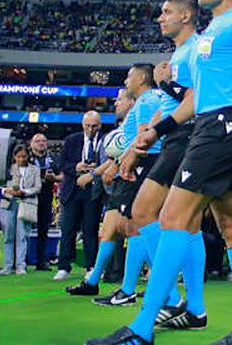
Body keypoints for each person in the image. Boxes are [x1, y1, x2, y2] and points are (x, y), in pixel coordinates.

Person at [86, 0, 232, 345]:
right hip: (211, 126)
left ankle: (142, 328)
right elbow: (194, 99)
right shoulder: (211, 34)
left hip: (224, 128)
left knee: (172, 218)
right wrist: (156, 131)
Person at [120, 0, 209, 330]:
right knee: (188, 224)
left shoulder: (196, 49)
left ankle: (172, 298)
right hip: (175, 136)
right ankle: (193, 308)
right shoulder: (180, 52)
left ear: (186, 16)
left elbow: (195, 100)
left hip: (186, 135)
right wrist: (140, 140)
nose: (160, 18)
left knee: (145, 212)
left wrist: (165, 85)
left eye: (167, 12)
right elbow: (168, 106)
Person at [94, 64, 169, 308]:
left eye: (129, 76)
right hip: (149, 162)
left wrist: (120, 163)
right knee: (133, 225)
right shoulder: (151, 99)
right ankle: (135, 287)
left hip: (144, 163)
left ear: (142, 78)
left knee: (134, 225)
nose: (126, 80)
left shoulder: (146, 102)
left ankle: (156, 288)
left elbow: (143, 137)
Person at [66, 89, 133, 297]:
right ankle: (93, 280)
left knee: (136, 230)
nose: (116, 103)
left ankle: (138, 288)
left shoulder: (138, 118)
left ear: (131, 101)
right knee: (110, 230)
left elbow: (128, 151)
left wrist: (93, 174)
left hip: (132, 180)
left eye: (120, 99)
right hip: (120, 183)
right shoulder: (126, 124)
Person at [55, 111, 104, 280]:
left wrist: (96, 170)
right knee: (67, 229)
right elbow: (61, 163)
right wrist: (76, 167)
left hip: (93, 190)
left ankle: (91, 266)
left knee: (90, 229)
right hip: (73, 190)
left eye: (94, 126)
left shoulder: (105, 140)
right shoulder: (72, 141)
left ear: (100, 125)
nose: (91, 130)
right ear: (83, 125)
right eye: (87, 126)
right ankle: (63, 266)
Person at [0, 144, 41, 275]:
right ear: (14, 157)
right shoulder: (8, 169)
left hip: (26, 203)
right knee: (8, 235)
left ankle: (20, 265)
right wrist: (7, 190)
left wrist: (25, 192)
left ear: (28, 156)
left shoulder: (34, 170)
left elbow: (37, 187)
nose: (21, 159)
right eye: (19, 156)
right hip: (9, 203)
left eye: (24, 156)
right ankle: (8, 265)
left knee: (22, 235)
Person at [29, 132, 57, 271]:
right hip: (28, 196)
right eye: (38, 141)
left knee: (43, 229)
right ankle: (20, 261)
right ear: (31, 144)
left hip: (46, 196)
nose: (41, 143)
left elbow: (62, 175)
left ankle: (41, 261)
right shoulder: (27, 158)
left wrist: (54, 178)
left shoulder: (53, 159)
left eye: (43, 141)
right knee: (23, 229)